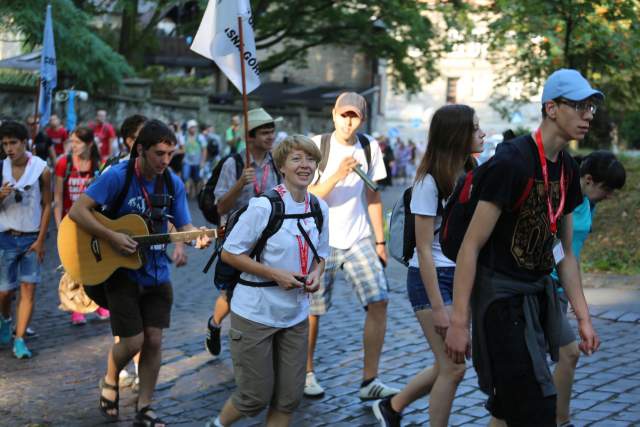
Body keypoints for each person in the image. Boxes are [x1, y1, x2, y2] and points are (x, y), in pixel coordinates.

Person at [444, 69, 601, 426]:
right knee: (537, 405)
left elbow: (565, 254)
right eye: (578, 105)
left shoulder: (568, 172)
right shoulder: (512, 162)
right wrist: (458, 321)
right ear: (551, 108)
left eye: (590, 106)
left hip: (537, 292)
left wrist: (584, 318)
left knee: (511, 405)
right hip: (500, 298)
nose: (588, 114)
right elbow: (471, 246)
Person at [69, 119, 210, 425]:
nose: (165, 160)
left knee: (155, 341)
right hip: (122, 274)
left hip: (158, 273)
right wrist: (111, 236)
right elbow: (77, 211)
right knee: (133, 342)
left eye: (170, 154)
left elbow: (183, 224)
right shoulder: (118, 176)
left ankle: (145, 406)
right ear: (141, 150)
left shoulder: (172, 183)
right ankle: (110, 378)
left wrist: (194, 235)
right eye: (159, 153)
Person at [373, 105, 485, 427]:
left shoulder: (471, 171)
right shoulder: (429, 182)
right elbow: (423, 250)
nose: (482, 133)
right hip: (432, 279)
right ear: (457, 134)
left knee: (447, 362)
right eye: (476, 128)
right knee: (454, 367)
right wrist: (437, 307)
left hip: (461, 277)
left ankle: (393, 406)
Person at [206, 135, 329, 427]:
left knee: (288, 399)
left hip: (295, 315)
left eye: (310, 159)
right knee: (254, 397)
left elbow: (321, 256)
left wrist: (315, 274)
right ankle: (217, 425)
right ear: (281, 166)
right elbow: (231, 254)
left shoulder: (319, 208)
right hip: (256, 313)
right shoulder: (263, 207)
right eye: (296, 159)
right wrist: (275, 274)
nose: (305, 165)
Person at [305, 92, 398, 400]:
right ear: (333, 115)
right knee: (312, 311)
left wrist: (380, 240)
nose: (348, 121)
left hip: (357, 237)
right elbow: (307, 196)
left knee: (379, 300)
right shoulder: (317, 146)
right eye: (343, 115)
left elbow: (373, 196)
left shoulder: (370, 148)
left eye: (354, 116)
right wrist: (337, 174)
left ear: (362, 119)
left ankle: (369, 380)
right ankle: (306, 373)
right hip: (321, 240)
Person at [551, 151, 625, 427]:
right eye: (607, 189)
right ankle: (560, 421)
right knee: (567, 353)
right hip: (540, 286)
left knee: (563, 356)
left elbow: (573, 253)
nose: (609, 196)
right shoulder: (562, 197)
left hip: (560, 288)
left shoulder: (588, 203)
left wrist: (574, 297)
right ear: (589, 180)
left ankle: (557, 419)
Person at [205, 108, 282, 358]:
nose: (271, 137)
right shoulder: (233, 163)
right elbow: (221, 207)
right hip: (238, 242)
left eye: (272, 132)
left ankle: (255, 348)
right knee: (230, 295)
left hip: (269, 241)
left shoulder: (277, 163)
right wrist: (240, 184)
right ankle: (215, 324)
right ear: (250, 137)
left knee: (264, 292)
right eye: (264, 133)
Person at [0, 120, 52, 359]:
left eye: (13, 143)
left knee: (29, 289)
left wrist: (41, 240)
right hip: (5, 237)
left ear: (25, 142)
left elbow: (48, 204)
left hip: (31, 238)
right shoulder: (1, 168)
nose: (9, 148)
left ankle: (19, 339)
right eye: (5, 144)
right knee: (4, 292)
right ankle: (5, 319)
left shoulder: (41, 169)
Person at [53, 126, 110, 325]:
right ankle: (76, 308)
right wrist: (59, 225)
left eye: (77, 142)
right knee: (73, 268)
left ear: (89, 144)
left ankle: (100, 304)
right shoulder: (63, 163)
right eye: (71, 141)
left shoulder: (100, 165)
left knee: (98, 263)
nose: (72, 146)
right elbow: (58, 197)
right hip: (71, 225)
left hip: (94, 223)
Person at [183, 119, 207, 198]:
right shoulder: (185, 137)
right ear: (188, 128)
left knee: (196, 178)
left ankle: (197, 193)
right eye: (192, 127)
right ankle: (187, 192)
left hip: (197, 162)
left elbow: (204, 149)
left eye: (195, 127)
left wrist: (202, 161)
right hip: (187, 161)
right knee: (185, 176)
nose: (194, 129)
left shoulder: (200, 137)